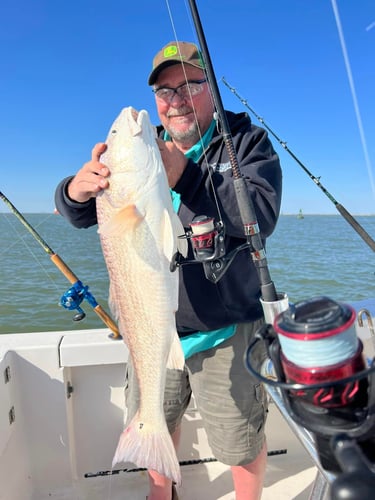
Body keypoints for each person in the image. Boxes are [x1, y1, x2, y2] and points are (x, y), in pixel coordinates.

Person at [55, 41, 282, 500]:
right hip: (152, 323)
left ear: (212, 89)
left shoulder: (244, 143)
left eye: (189, 85)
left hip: (226, 327)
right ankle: (162, 493)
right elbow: (89, 213)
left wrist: (189, 176)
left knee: (239, 439)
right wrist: (74, 192)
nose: (174, 100)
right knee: (156, 415)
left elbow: (260, 213)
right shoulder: (147, 145)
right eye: (164, 90)